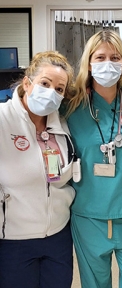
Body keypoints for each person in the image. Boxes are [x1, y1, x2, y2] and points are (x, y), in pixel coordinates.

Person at [65, 30, 122, 288]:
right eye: (100, 56)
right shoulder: (70, 106)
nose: (108, 63)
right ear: (89, 62)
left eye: (116, 57)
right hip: (88, 216)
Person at [0, 51, 77, 288]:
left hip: (58, 237)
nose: (52, 92)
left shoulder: (61, 125)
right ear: (27, 82)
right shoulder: (3, 119)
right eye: (45, 83)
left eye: (59, 89)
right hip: (14, 240)